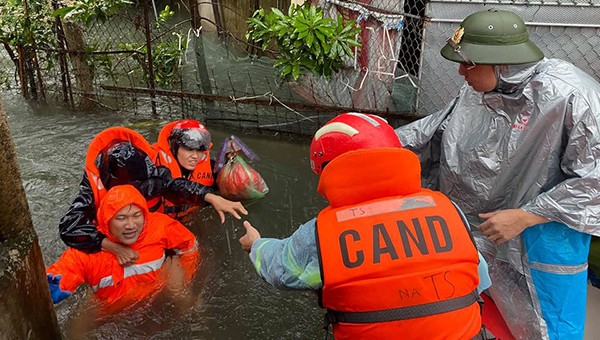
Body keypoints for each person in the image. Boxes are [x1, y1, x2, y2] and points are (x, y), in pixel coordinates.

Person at [395, 8, 600, 340]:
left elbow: (594, 179)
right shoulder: (477, 92)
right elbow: (433, 132)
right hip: (483, 229)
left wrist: (527, 215)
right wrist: (373, 146)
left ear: (502, 63)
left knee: (550, 326)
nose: (461, 71)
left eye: (469, 63)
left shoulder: (571, 95)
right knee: (492, 316)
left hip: (545, 238)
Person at [239, 113, 492, 339]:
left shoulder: (322, 234)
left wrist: (256, 245)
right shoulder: (447, 209)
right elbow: (479, 278)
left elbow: (282, 272)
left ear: (331, 170)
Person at [59, 126, 247, 265]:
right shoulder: (93, 185)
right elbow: (69, 226)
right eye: (189, 150)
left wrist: (210, 196)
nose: (194, 156)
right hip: (111, 242)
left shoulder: (149, 171)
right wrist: (111, 246)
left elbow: (174, 186)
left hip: (148, 235)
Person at [47, 184, 199, 314]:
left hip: (154, 297)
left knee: (184, 299)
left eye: (136, 215)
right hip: (109, 309)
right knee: (80, 327)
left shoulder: (160, 227)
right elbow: (65, 270)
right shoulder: (87, 252)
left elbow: (189, 245)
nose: (131, 225)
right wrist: (49, 288)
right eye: (121, 218)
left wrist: (184, 274)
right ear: (106, 220)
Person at [152, 119, 217, 217]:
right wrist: (208, 196)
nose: (195, 156)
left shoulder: (209, 166)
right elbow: (170, 184)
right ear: (174, 146)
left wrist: (231, 161)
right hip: (161, 221)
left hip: (190, 218)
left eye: (199, 150)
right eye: (189, 149)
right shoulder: (152, 163)